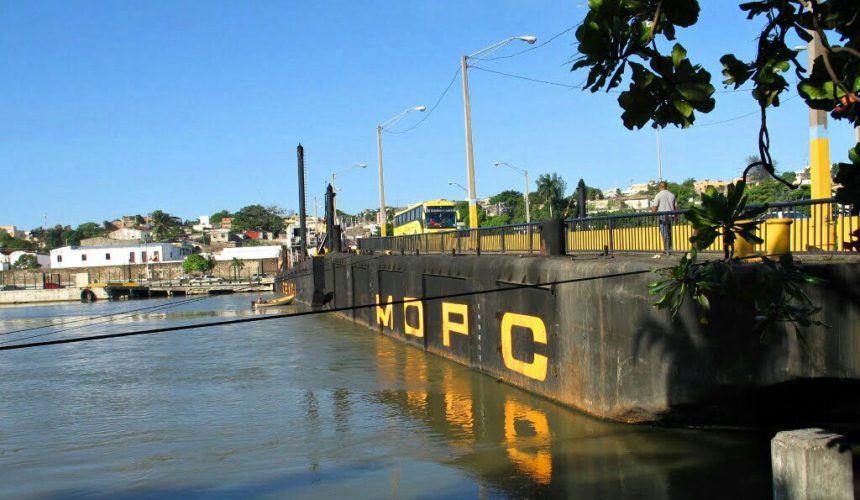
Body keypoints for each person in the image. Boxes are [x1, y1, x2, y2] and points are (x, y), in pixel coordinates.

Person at [650, 181, 677, 255]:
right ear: (666, 186)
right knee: (669, 233)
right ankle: (670, 249)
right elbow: (676, 207)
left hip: (662, 216)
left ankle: (667, 250)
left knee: (664, 233)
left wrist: (651, 208)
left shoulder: (658, 195)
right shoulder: (672, 195)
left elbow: (654, 209)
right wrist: (676, 217)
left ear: (660, 187)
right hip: (671, 216)